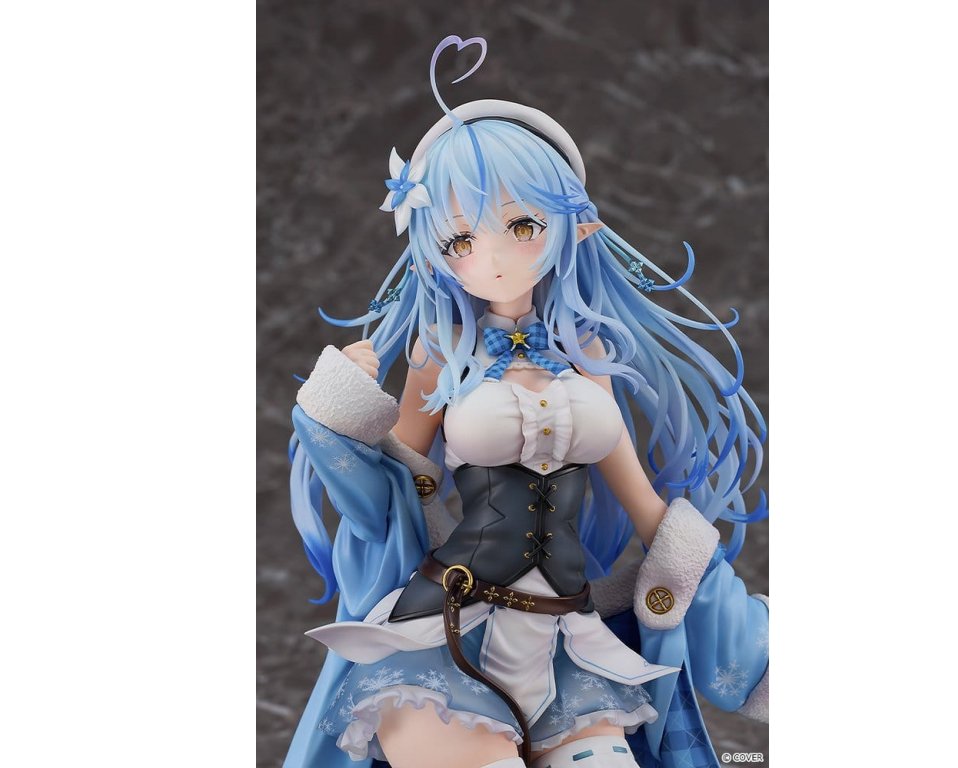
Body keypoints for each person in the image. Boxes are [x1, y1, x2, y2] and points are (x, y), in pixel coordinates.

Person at [284, 35, 769, 768]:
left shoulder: (588, 351)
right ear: (432, 249)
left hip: (569, 645)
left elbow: (642, 501)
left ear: (573, 224)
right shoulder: (441, 351)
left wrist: (726, 620)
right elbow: (394, 489)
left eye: (520, 224)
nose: (492, 256)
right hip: (447, 635)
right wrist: (347, 413)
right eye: (459, 239)